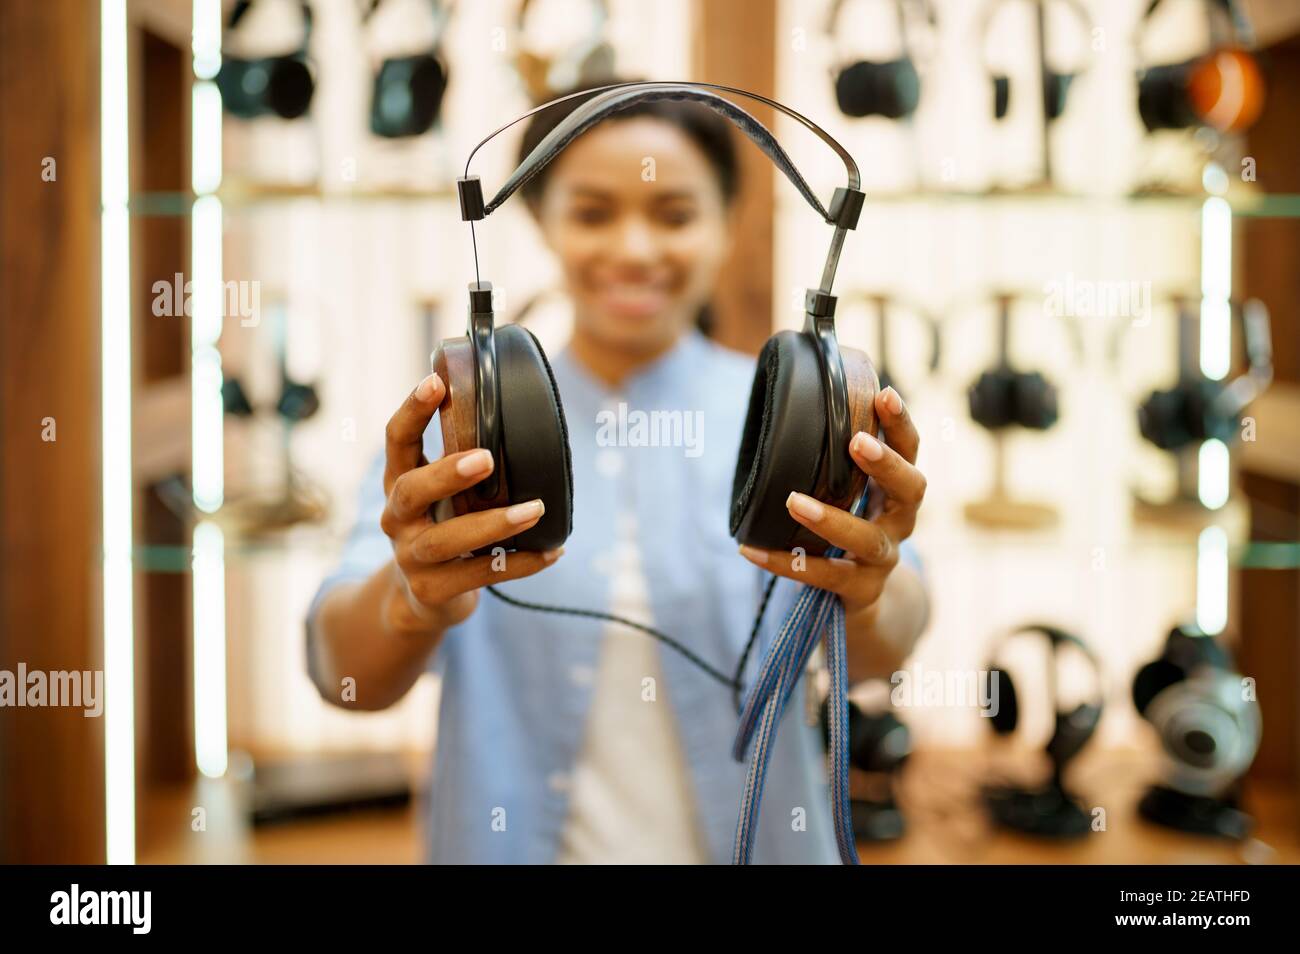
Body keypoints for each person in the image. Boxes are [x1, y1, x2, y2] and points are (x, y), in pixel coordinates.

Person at [306, 86, 930, 864]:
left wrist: (870, 589)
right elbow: (340, 675)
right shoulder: (460, 431)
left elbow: (888, 647)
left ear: (729, 223)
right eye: (594, 212)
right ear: (541, 221)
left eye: (673, 214)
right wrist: (409, 599)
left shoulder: (802, 428)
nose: (634, 250)